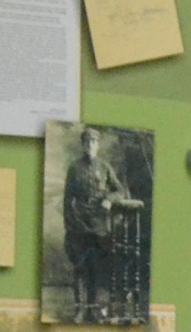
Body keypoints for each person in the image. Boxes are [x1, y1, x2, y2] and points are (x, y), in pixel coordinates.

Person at [61, 126, 144, 319]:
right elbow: (67, 200)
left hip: (99, 225)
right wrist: (72, 224)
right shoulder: (74, 168)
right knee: (79, 267)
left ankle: (93, 308)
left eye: (94, 142)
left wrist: (109, 199)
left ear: (98, 145)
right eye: (87, 142)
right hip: (79, 224)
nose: (90, 145)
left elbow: (120, 191)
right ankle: (79, 308)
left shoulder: (104, 167)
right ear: (82, 145)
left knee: (95, 267)